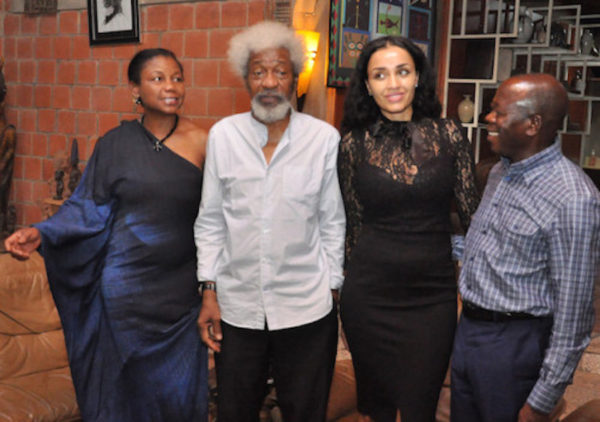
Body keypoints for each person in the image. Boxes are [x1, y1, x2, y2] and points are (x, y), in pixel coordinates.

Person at [4, 48, 208, 421]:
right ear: (135, 88)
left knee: (178, 397)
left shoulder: (204, 141)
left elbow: (215, 219)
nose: (171, 87)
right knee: (122, 398)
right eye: (157, 78)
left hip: (179, 298)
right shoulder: (114, 144)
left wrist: (212, 288)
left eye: (177, 77)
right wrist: (42, 232)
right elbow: (86, 208)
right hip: (123, 295)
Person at [194, 20, 345, 422]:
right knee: (234, 411)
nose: (269, 82)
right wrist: (209, 290)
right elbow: (210, 221)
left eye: (280, 71)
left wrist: (331, 287)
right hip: (238, 307)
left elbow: (332, 221)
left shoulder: (323, 139)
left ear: (296, 79)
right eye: (259, 72)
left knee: (304, 412)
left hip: (306, 309)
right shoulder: (223, 136)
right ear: (246, 80)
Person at [338, 35, 480, 422]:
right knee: (379, 408)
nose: (393, 83)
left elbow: (474, 221)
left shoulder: (451, 135)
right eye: (380, 75)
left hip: (431, 298)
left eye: (402, 71)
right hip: (368, 297)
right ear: (367, 86)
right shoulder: (352, 144)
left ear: (418, 76)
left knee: (420, 406)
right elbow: (353, 224)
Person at [451, 73, 600, 422]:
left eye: (498, 112)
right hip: (469, 330)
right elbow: (485, 249)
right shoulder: (500, 173)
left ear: (533, 124)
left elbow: (575, 316)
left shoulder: (574, 198)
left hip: (514, 345)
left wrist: (541, 401)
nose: (489, 118)